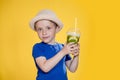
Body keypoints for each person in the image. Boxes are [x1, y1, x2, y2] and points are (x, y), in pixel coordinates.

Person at [29, 10, 80, 80]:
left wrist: (76, 55)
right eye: (40, 29)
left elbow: (72, 69)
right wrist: (63, 52)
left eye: (48, 28)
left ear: (57, 28)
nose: (44, 32)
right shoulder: (38, 47)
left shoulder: (62, 47)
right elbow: (45, 67)